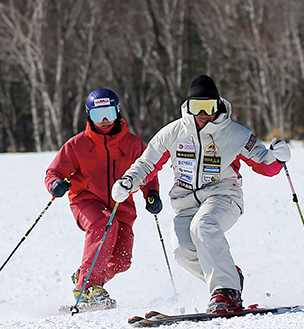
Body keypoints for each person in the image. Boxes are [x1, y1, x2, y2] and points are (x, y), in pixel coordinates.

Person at [110, 74, 291, 314]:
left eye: (209, 107)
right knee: (182, 251)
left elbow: (263, 163)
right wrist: (129, 181)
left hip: (224, 196)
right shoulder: (173, 132)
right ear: (188, 107)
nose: (203, 114)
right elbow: (148, 162)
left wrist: (277, 158)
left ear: (218, 105)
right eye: (197, 107)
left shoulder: (235, 134)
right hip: (185, 203)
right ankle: (229, 278)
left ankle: (227, 292)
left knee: (203, 226)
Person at [45, 88, 161, 309]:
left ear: (118, 112)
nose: (105, 120)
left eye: (109, 113)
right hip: (86, 201)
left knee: (122, 259)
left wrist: (152, 194)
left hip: (121, 204)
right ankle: (89, 286)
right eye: (99, 116)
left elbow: (148, 171)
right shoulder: (77, 144)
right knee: (104, 224)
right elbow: (54, 172)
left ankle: (83, 278)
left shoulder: (133, 144)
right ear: (89, 116)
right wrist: (55, 184)